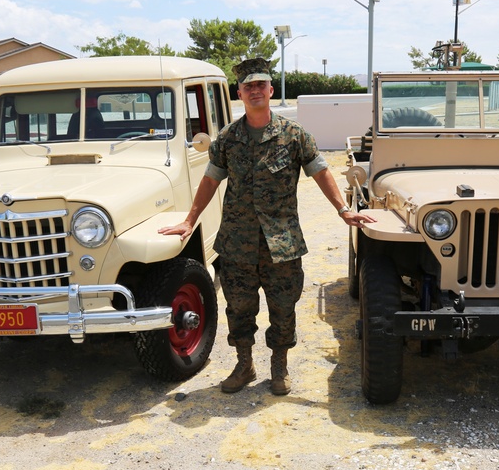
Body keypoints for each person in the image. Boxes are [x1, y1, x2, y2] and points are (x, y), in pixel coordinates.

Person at [159, 57, 376, 396]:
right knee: (239, 309)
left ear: (271, 90)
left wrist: (343, 210)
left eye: (261, 85)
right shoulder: (228, 139)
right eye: (249, 86)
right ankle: (244, 366)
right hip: (238, 246)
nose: (255, 91)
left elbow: (321, 172)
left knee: (283, 309)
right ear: (240, 93)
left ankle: (279, 367)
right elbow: (210, 180)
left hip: (282, 245)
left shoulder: (294, 135)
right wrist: (189, 220)